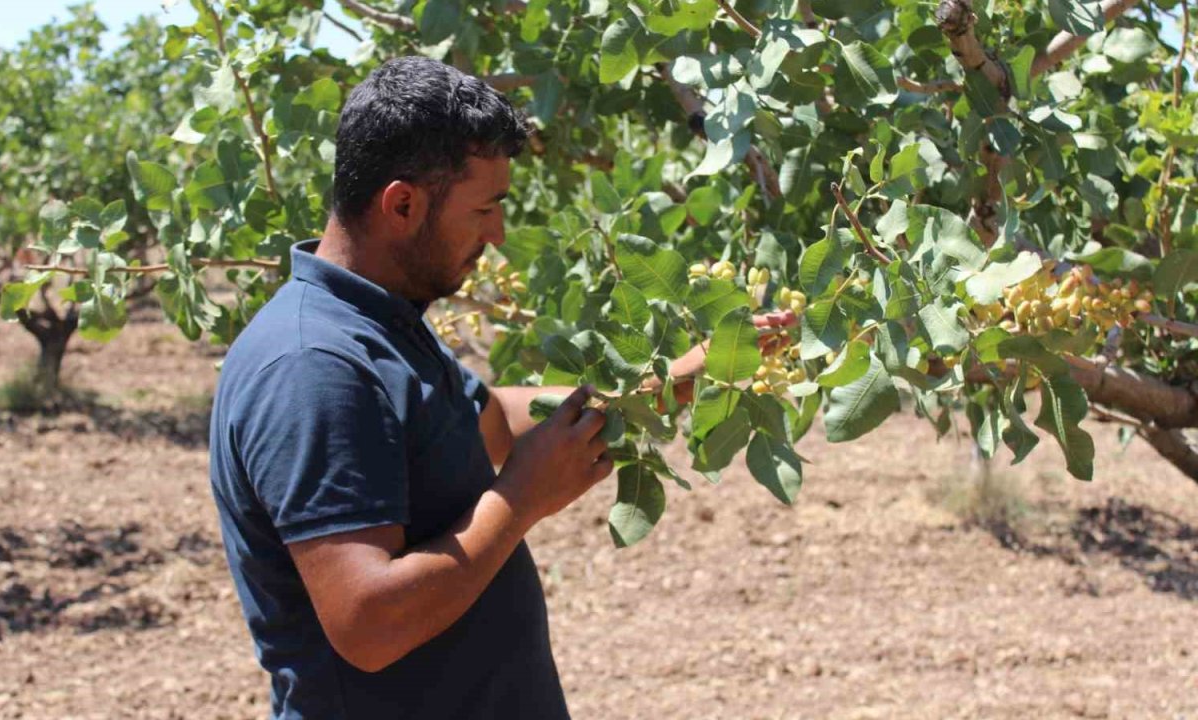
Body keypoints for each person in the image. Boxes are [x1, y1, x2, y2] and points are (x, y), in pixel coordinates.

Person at [208, 56, 794, 719]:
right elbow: (367, 623)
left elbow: (489, 420)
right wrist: (520, 500)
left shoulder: (382, 322)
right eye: (484, 209)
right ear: (402, 203)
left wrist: (689, 375)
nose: (498, 234)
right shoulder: (312, 366)